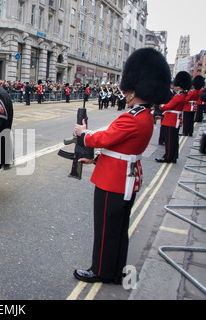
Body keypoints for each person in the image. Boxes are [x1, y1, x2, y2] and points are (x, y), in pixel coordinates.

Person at [72, 48, 171, 284]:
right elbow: (122, 151)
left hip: (113, 181)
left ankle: (101, 271)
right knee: (118, 229)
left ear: (133, 90)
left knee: (106, 229)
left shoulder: (133, 117)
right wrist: (94, 159)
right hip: (124, 176)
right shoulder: (145, 115)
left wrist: (83, 134)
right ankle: (115, 270)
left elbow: (103, 139)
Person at [155, 71, 192, 163]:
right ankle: (173, 156)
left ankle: (168, 157)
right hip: (175, 119)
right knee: (173, 140)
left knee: (170, 140)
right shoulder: (182, 95)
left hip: (171, 120)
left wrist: (160, 106)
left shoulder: (178, 96)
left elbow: (168, 106)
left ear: (178, 86)